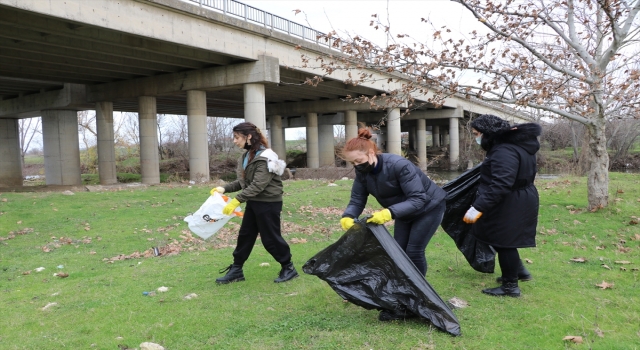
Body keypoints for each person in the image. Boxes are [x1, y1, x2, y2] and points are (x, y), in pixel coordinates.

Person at [339, 128, 447, 321]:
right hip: (403, 211)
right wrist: (348, 216)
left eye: (359, 161)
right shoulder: (362, 173)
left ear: (371, 153)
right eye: (353, 162)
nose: (357, 165)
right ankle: (403, 296)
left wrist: (388, 213)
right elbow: (357, 199)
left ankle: (417, 299)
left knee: (413, 252)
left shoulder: (398, 165)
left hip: (429, 207)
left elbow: (418, 198)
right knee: (397, 254)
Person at [463, 114, 541, 298]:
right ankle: (519, 271)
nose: (476, 138)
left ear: (488, 133)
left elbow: (501, 184)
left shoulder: (504, 151)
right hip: (519, 197)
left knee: (505, 242)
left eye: (477, 134)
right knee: (503, 239)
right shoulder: (516, 146)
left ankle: (510, 286)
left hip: (511, 200)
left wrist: (478, 207)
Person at [211, 122, 298, 284]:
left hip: (268, 203)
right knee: (245, 236)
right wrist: (224, 189)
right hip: (254, 201)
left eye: (237, 137)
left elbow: (258, 184)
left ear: (248, 136)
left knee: (270, 238)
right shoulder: (247, 156)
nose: (235, 141)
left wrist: (237, 200)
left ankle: (289, 267)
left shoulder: (265, 157)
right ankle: (237, 270)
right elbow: (244, 182)